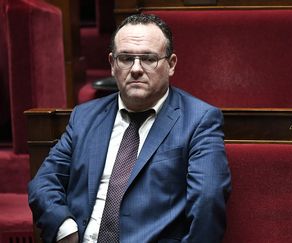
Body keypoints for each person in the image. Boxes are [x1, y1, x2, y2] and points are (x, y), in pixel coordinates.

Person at [28, 14, 231, 243]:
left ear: (171, 64)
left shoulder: (199, 120)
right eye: (125, 58)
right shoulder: (84, 116)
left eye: (148, 58)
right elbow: (44, 183)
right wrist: (65, 229)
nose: (135, 69)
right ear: (113, 64)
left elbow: (208, 200)